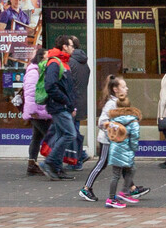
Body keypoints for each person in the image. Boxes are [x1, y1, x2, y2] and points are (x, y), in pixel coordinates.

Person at [79, 76, 129, 204]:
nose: (126, 88)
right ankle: (86, 188)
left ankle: (130, 188)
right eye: (123, 87)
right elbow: (102, 122)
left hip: (113, 140)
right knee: (102, 162)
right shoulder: (111, 104)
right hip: (107, 140)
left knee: (120, 163)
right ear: (115, 89)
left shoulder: (118, 102)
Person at [96, 90, 146, 208]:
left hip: (114, 150)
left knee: (115, 175)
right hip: (126, 150)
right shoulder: (133, 121)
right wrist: (134, 148)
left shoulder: (113, 120)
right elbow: (134, 137)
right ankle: (123, 193)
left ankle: (112, 197)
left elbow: (110, 134)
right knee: (131, 169)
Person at [38, 43, 79, 180]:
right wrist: (66, 101)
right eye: (71, 46)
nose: (73, 49)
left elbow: (67, 87)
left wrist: (71, 105)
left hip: (63, 106)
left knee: (61, 134)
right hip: (58, 106)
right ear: (64, 46)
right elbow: (50, 86)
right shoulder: (55, 62)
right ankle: (49, 162)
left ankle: (57, 168)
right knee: (70, 134)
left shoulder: (63, 62)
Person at [62, 36, 91, 168]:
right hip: (81, 101)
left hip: (72, 102)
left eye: (68, 45)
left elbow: (68, 84)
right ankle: (80, 156)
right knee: (74, 129)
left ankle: (78, 159)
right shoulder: (84, 63)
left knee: (71, 132)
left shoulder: (70, 63)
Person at [21, 56, 53, 177]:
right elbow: (30, 93)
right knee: (50, 137)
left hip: (40, 112)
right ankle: (51, 164)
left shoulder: (38, 71)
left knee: (37, 137)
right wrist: (33, 111)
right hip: (38, 113)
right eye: (45, 57)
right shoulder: (34, 73)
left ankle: (32, 164)